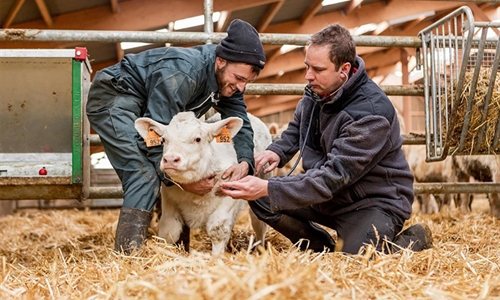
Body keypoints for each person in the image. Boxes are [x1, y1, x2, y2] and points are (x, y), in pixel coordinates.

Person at [220, 23, 433, 254]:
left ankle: (415, 238)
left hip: (371, 202)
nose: (308, 75)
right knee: (262, 199)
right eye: (307, 66)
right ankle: (321, 249)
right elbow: (297, 128)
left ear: (344, 70)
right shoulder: (318, 90)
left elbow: (334, 176)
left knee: (358, 260)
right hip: (328, 195)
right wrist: (277, 152)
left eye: (318, 69)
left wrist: (269, 185)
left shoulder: (371, 114)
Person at [86, 19, 266, 254]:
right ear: (221, 61)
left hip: (145, 104)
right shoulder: (183, 73)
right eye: (239, 78)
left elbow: (240, 123)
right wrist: (184, 184)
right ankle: (128, 257)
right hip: (116, 98)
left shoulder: (227, 81)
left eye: (246, 82)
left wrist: (245, 162)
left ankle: (177, 249)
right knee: (143, 172)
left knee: (167, 168)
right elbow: (158, 145)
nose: (241, 87)